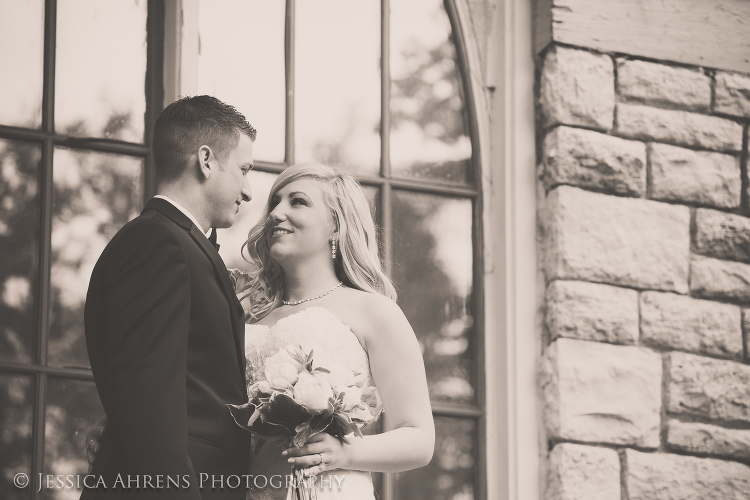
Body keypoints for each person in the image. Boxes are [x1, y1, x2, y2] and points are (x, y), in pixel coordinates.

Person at [82, 95, 256, 500]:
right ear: (206, 160)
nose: (248, 191)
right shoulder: (158, 243)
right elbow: (149, 403)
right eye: (244, 170)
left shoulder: (179, 243)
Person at [241, 164, 435, 499]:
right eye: (275, 202)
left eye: (297, 202)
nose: (276, 213)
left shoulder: (375, 311)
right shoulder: (249, 318)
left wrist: (346, 452)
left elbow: (419, 438)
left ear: (335, 223)